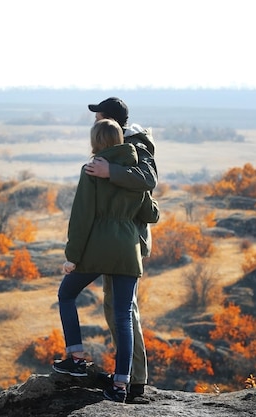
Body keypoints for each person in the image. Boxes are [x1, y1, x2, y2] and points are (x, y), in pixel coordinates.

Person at [53, 118, 159, 403]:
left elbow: (82, 216)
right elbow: (151, 215)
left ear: (96, 142)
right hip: (127, 250)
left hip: (97, 248)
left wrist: (72, 257)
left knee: (66, 294)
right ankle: (121, 385)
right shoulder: (135, 171)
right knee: (124, 315)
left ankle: (75, 357)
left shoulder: (91, 169)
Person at [85, 97, 158, 403]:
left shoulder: (136, 147)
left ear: (112, 121)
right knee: (115, 308)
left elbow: (147, 180)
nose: (94, 123)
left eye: (99, 117)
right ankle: (126, 376)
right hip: (116, 239)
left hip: (129, 240)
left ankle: (133, 381)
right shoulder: (119, 146)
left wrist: (109, 172)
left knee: (124, 311)